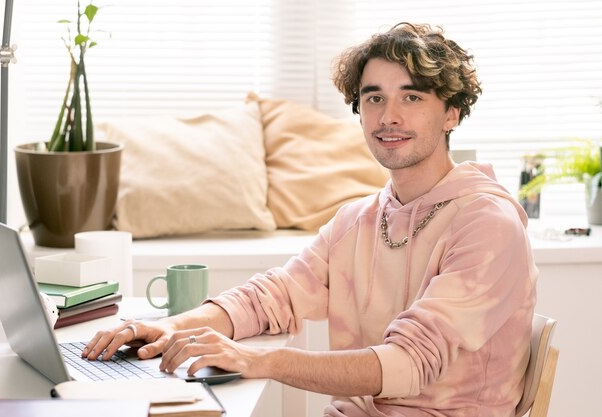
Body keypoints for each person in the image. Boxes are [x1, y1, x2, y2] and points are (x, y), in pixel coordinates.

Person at [83, 22, 537, 417]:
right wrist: (171, 327)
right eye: (373, 98)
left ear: (452, 113)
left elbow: (408, 364)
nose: (389, 116)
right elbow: (273, 296)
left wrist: (263, 361)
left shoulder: (486, 223)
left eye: (411, 97)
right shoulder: (359, 219)